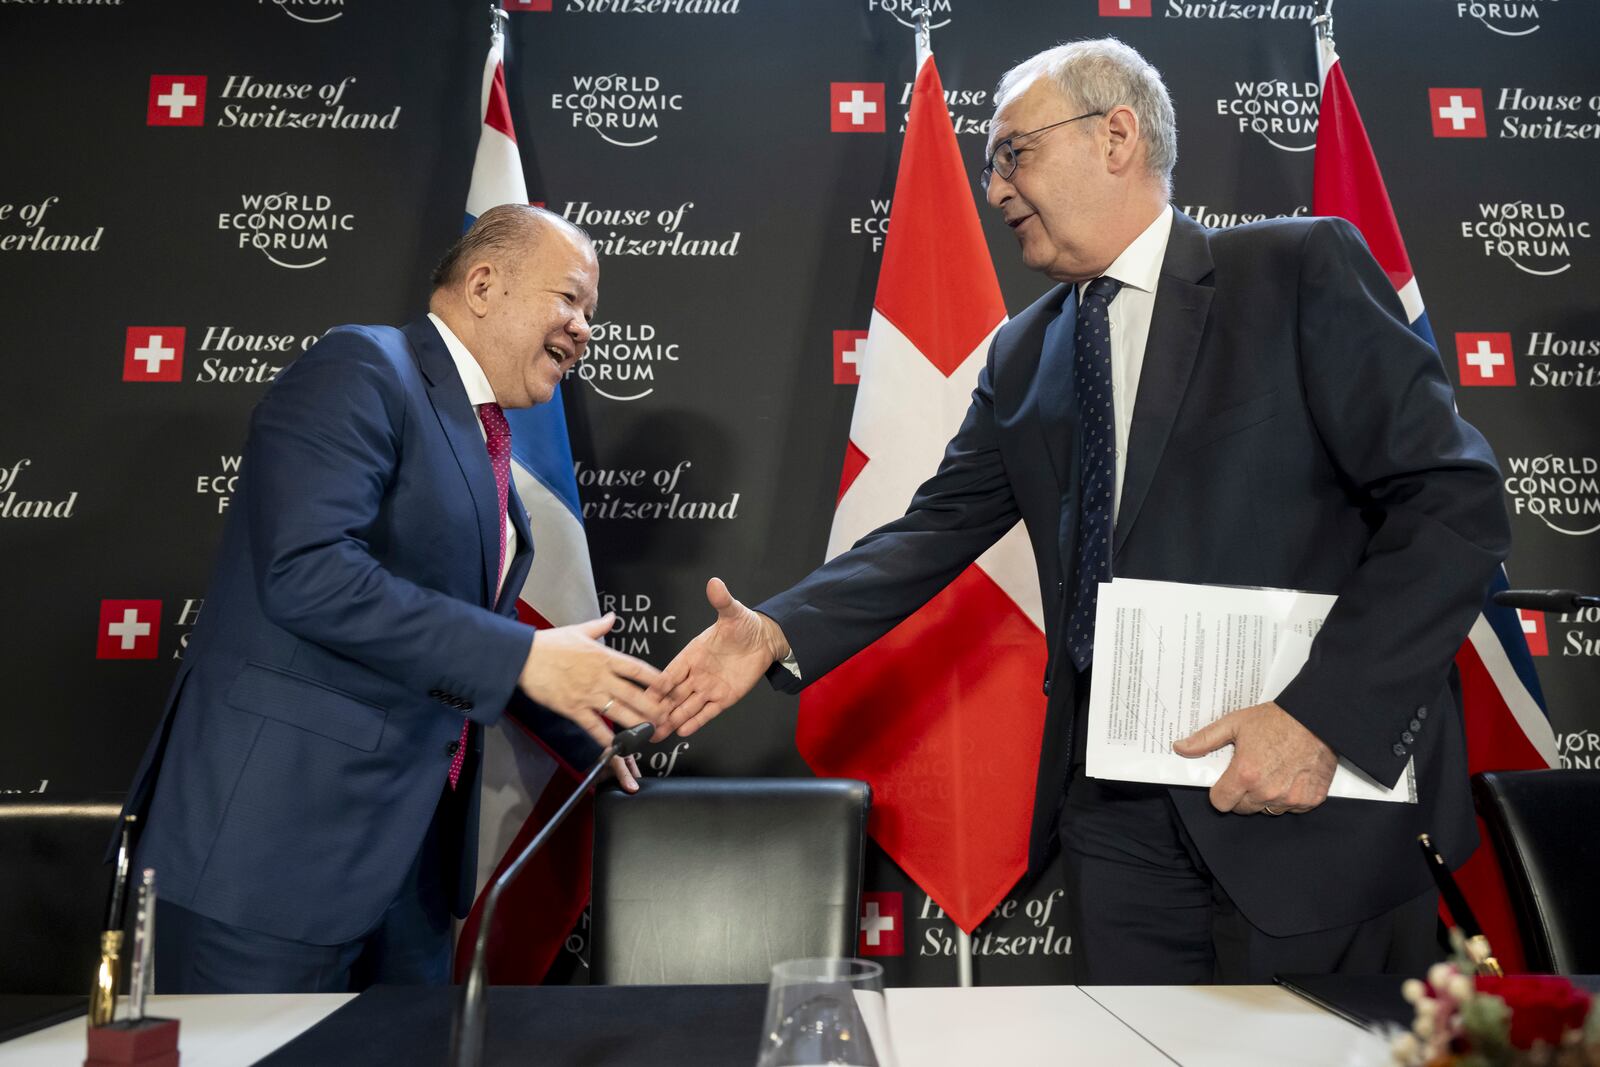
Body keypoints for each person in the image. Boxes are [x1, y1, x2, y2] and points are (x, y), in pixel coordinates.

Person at [652, 40, 1510, 983]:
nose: (993, 188)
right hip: (1115, 827)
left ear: (1116, 135)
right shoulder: (1022, 354)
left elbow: (1452, 502)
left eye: (1012, 152)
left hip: (1303, 803)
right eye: (989, 164)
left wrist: (1323, 719)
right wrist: (776, 630)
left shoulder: (1293, 269)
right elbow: (932, 531)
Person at [120, 205, 668, 993]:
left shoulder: (487, 447)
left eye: (592, 313)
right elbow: (307, 571)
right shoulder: (366, 367)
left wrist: (597, 721)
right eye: (572, 300)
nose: (585, 330)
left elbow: (443, 633)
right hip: (270, 857)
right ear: (484, 284)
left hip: (405, 874)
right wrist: (521, 654)